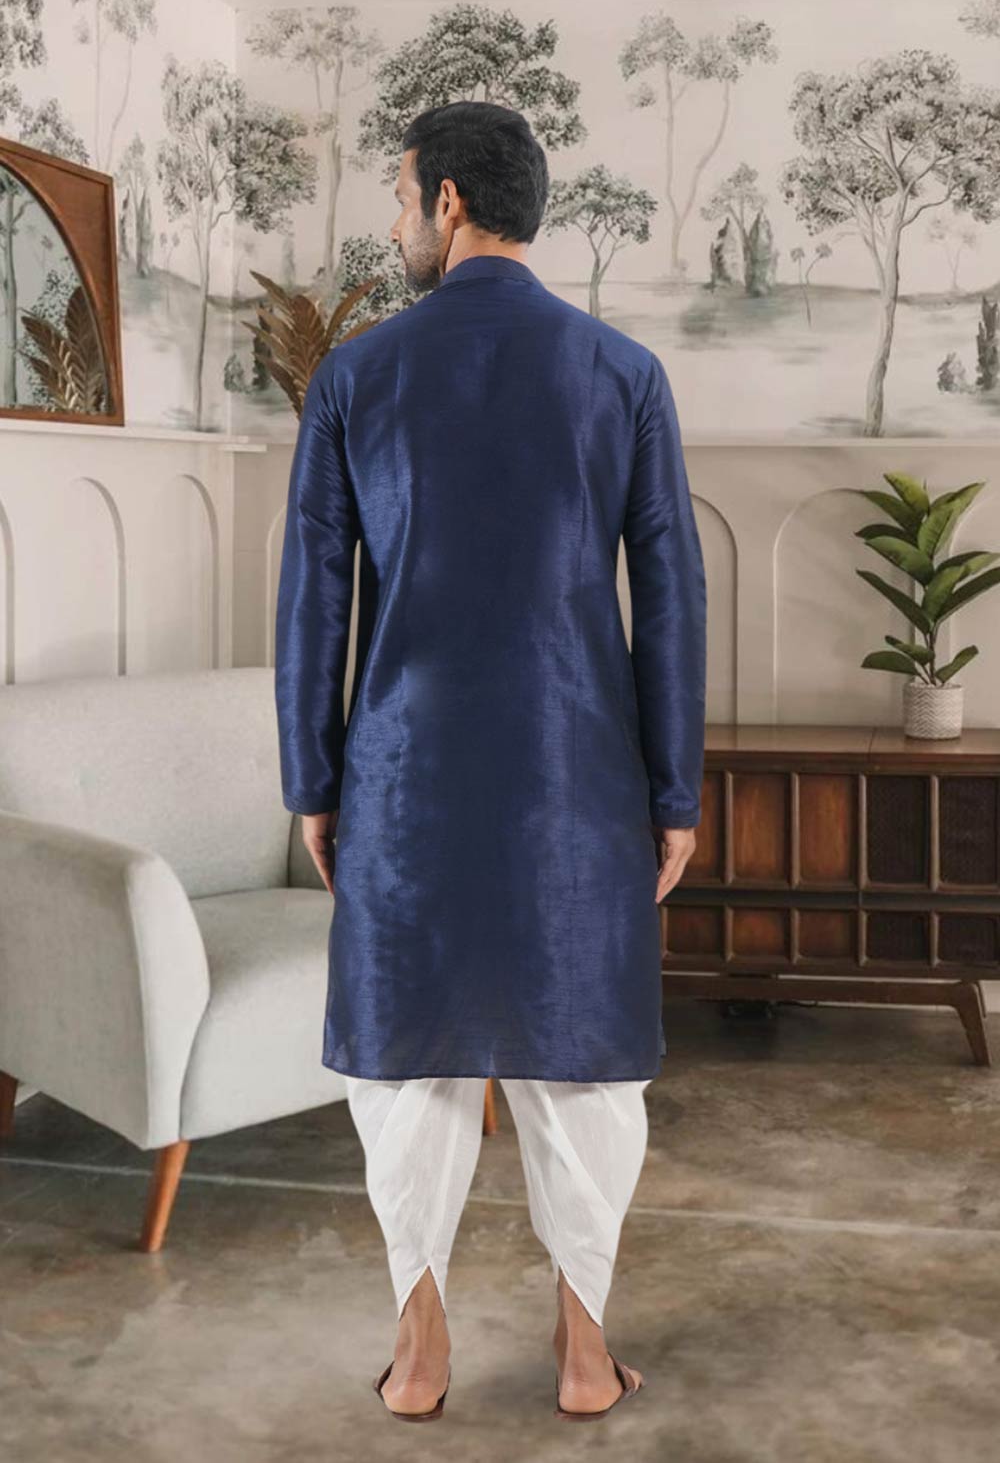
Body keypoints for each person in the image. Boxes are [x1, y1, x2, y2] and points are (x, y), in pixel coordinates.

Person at [274, 100, 706, 1421]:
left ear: (449, 200)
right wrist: (674, 793)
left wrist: (313, 784)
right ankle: (584, 1355)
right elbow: (671, 598)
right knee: (584, 1071)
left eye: (402, 192)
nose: (398, 218)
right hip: (581, 784)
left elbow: (314, 602)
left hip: (402, 781)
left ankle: (421, 1355)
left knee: (409, 1068)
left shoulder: (355, 377)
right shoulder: (623, 372)